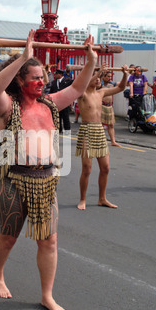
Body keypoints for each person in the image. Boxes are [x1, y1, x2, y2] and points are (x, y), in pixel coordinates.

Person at [0, 30, 97, 310]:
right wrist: (24, 56)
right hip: (13, 180)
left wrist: (90, 61)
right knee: (8, 237)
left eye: (42, 77)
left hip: (46, 181)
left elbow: (76, 89)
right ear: (20, 80)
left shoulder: (50, 103)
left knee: (49, 240)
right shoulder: (7, 107)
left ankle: (47, 295)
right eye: (34, 77)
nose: (41, 82)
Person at [76, 65, 129, 211]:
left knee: (105, 168)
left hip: (99, 130)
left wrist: (125, 74)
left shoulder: (102, 92)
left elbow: (121, 88)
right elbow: (84, 84)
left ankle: (102, 198)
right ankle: (83, 199)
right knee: (87, 168)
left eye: (100, 78)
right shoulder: (82, 93)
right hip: (86, 130)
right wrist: (98, 72)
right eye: (96, 77)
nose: (98, 80)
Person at [101, 70, 121, 147]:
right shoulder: (100, 84)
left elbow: (123, 84)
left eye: (110, 76)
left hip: (109, 106)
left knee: (111, 125)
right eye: (108, 76)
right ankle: (101, 140)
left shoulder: (112, 84)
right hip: (102, 106)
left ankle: (113, 141)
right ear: (104, 77)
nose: (110, 78)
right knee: (101, 125)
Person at [49, 68, 73, 133]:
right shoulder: (53, 83)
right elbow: (51, 92)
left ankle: (67, 131)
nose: (55, 75)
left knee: (66, 118)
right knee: (57, 117)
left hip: (65, 103)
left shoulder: (67, 80)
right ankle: (59, 130)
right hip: (56, 103)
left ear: (60, 74)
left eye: (56, 74)